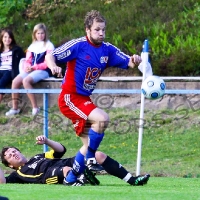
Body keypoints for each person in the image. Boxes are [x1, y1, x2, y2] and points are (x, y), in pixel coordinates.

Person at [45, 10, 143, 186]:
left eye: (103, 30)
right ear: (87, 30)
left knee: (87, 145)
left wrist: (135, 60)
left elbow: (128, 62)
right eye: (97, 29)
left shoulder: (107, 49)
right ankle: (91, 161)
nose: (101, 33)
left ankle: (71, 178)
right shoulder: (78, 45)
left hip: (84, 100)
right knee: (102, 118)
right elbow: (50, 55)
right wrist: (53, 66)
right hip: (70, 97)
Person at [0, 135, 150, 186]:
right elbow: (2, 182)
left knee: (98, 155)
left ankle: (132, 180)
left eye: (14, 151)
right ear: (9, 165)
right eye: (9, 156)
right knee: (67, 171)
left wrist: (47, 141)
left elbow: (60, 150)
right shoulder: (17, 175)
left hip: (65, 163)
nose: (14, 154)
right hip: (49, 175)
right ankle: (82, 177)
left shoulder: (37, 157)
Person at [5, 23, 54, 116]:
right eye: (38, 33)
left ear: (45, 34)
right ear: (35, 34)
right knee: (15, 81)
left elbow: (47, 63)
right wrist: (27, 66)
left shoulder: (49, 46)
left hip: (44, 70)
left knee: (26, 81)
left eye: (42, 33)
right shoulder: (32, 46)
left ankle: (35, 107)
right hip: (31, 69)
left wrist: (34, 67)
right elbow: (28, 60)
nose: (40, 35)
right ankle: (15, 108)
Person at [0, 29, 25, 104]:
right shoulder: (0, 50)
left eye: (9, 37)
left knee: (1, 83)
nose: (7, 39)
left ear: (12, 39)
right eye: (5, 37)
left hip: (10, 71)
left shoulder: (17, 50)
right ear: (1, 38)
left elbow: (23, 60)